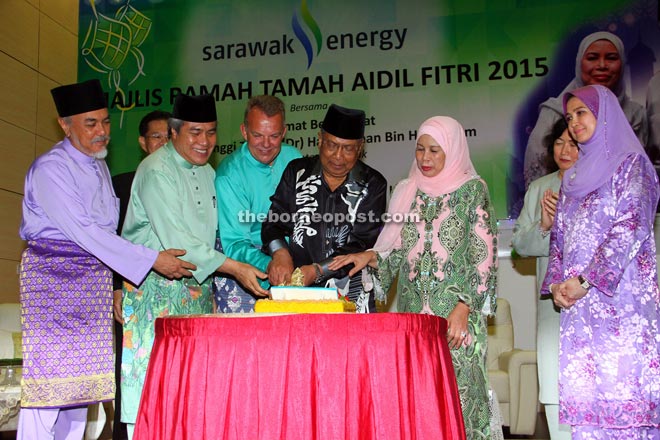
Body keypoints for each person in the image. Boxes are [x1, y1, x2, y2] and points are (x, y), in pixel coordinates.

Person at [17, 79, 195, 439]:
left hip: (91, 282)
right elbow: (87, 232)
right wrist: (151, 260)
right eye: (91, 124)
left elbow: (108, 232)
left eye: (106, 122)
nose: (102, 132)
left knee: (81, 391)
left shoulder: (98, 166)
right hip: (54, 282)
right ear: (65, 125)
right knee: (49, 389)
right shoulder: (52, 169)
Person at [329, 116, 498, 439]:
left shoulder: (472, 190)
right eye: (420, 149)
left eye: (435, 150)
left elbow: (483, 258)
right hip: (415, 319)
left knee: (462, 397)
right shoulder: (408, 191)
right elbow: (394, 251)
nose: (425, 159)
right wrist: (371, 256)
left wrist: (464, 308)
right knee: (421, 400)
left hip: (456, 319)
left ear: (453, 150)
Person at [119, 93, 268, 438]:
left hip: (195, 294)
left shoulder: (208, 170)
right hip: (153, 294)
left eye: (212, 132)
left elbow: (214, 235)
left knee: (189, 390)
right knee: (149, 387)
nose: (205, 142)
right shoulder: (156, 170)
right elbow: (179, 243)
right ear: (173, 132)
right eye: (195, 132)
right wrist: (235, 268)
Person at [542, 84, 660, 438]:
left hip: (621, 302)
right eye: (569, 116)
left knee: (625, 401)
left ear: (604, 115)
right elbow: (559, 238)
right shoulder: (574, 177)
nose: (574, 122)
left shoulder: (632, 165)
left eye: (582, 113)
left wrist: (586, 280)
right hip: (579, 308)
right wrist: (556, 285)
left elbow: (631, 225)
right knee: (589, 410)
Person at [261, 103, 387, 313]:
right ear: (319, 140)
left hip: (351, 291)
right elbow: (273, 223)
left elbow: (361, 242)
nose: (338, 156)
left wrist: (318, 270)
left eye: (348, 148)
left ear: (360, 147)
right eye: (331, 145)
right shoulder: (296, 172)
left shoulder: (373, 184)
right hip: (297, 291)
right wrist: (280, 253)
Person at [511, 118, 578, 440]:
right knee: (553, 388)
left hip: (593, 304)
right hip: (553, 308)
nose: (564, 150)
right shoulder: (541, 188)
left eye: (573, 144)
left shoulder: (602, 186)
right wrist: (545, 226)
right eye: (559, 143)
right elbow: (520, 247)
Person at [111, 109, 171, 440]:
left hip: (178, 298)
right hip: (133, 295)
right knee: (132, 380)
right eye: (155, 137)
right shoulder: (120, 185)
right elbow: (106, 242)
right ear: (142, 142)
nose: (162, 143)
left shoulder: (189, 184)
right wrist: (115, 289)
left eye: (168, 136)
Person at [523, 31, 648, 188]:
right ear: (579, 63)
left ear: (622, 63)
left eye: (611, 58)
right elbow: (536, 171)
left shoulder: (635, 114)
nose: (602, 65)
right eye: (592, 58)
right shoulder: (554, 113)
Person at [213, 95, 301, 313]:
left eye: (274, 136)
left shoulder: (295, 158)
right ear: (244, 131)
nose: (266, 144)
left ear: (284, 132)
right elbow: (234, 242)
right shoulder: (230, 175)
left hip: (294, 267)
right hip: (247, 272)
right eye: (257, 135)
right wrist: (270, 265)